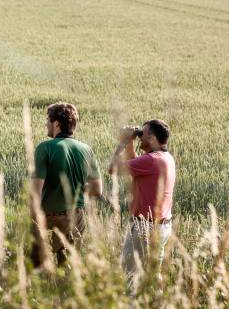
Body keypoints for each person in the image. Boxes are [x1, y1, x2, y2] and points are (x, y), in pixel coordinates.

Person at [31, 102, 103, 267]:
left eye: (47, 120)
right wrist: (73, 188)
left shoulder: (45, 148)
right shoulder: (87, 149)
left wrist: (32, 221)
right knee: (69, 269)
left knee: (38, 270)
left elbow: (35, 192)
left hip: (48, 217)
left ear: (56, 123)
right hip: (76, 217)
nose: (46, 124)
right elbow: (98, 190)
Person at [108, 119, 175, 294]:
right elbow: (135, 164)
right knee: (153, 276)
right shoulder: (165, 158)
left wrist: (123, 142)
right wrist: (131, 141)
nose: (140, 138)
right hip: (162, 227)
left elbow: (112, 168)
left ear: (152, 138)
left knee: (131, 278)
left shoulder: (151, 160)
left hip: (145, 228)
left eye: (142, 135)